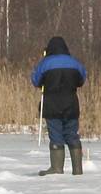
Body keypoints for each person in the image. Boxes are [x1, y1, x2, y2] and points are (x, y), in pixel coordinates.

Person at [30, 36, 87, 176]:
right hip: (71, 104)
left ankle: (56, 168)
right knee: (72, 134)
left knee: (56, 136)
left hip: (52, 105)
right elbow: (82, 80)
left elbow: (36, 81)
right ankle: (78, 169)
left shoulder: (45, 63)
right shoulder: (74, 63)